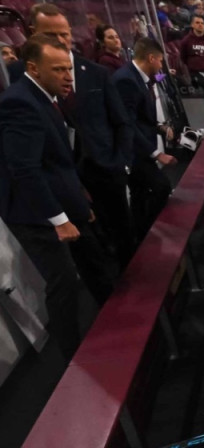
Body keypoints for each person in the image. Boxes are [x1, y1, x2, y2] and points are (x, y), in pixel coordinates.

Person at [13, 4, 132, 284]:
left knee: (124, 237)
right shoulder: (18, 77)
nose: (61, 41)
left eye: (64, 34)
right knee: (91, 257)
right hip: (65, 183)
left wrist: (122, 162)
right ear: (33, 34)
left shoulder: (95, 72)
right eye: (51, 35)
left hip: (106, 169)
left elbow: (121, 122)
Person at [0, 35, 89, 359]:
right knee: (63, 281)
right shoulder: (20, 102)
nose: (68, 76)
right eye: (59, 69)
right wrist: (59, 220)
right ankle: (73, 356)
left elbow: (55, 158)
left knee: (81, 267)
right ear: (34, 68)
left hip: (54, 200)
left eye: (68, 68)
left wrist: (78, 194)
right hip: (32, 212)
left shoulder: (43, 96)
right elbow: (25, 169)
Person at [112, 38, 178, 240]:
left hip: (140, 147)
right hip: (133, 151)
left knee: (140, 195)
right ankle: (147, 232)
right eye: (160, 60)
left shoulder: (139, 78)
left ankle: (141, 236)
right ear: (151, 58)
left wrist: (159, 127)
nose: (161, 65)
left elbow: (140, 117)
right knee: (161, 187)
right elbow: (128, 124)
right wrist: (157, 154)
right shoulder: (126, 80)